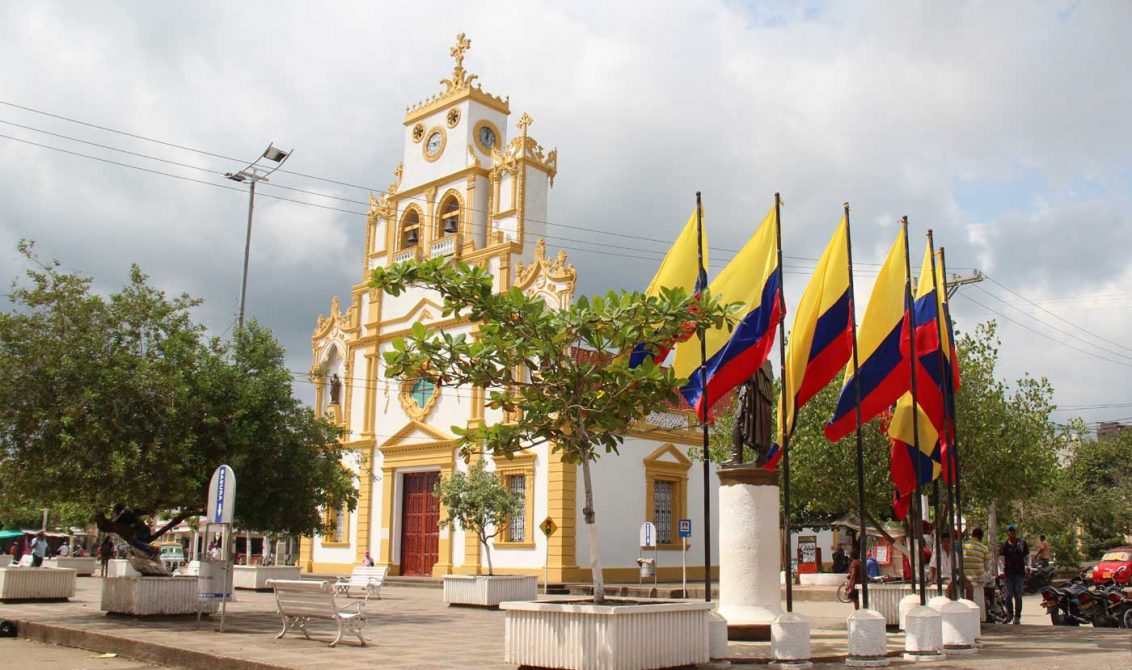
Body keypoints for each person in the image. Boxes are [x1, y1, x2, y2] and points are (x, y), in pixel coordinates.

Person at [999, 524, 1031, 624]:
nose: (1012, 533)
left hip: (1019, 573)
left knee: (1018, 595)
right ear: (1008, 533)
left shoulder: (1022, 544)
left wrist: (1029, 566)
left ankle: (1017, 617)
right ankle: (1009, 615)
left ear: (1016, 532)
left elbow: (1028, 556)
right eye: (1010, 531)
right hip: (1008, 574)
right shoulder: (1004, 545)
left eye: (1013, 531)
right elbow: (1001, 560)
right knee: (1008, 596)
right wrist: (1001, 571)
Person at [962, 527, 994, 621]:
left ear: (972, 535)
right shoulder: (984, 548)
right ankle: (992, 603)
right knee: (992, 581)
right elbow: (987, 567)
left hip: (964, 576)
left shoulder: (963, 545)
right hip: (978, 577)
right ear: (981, 537)